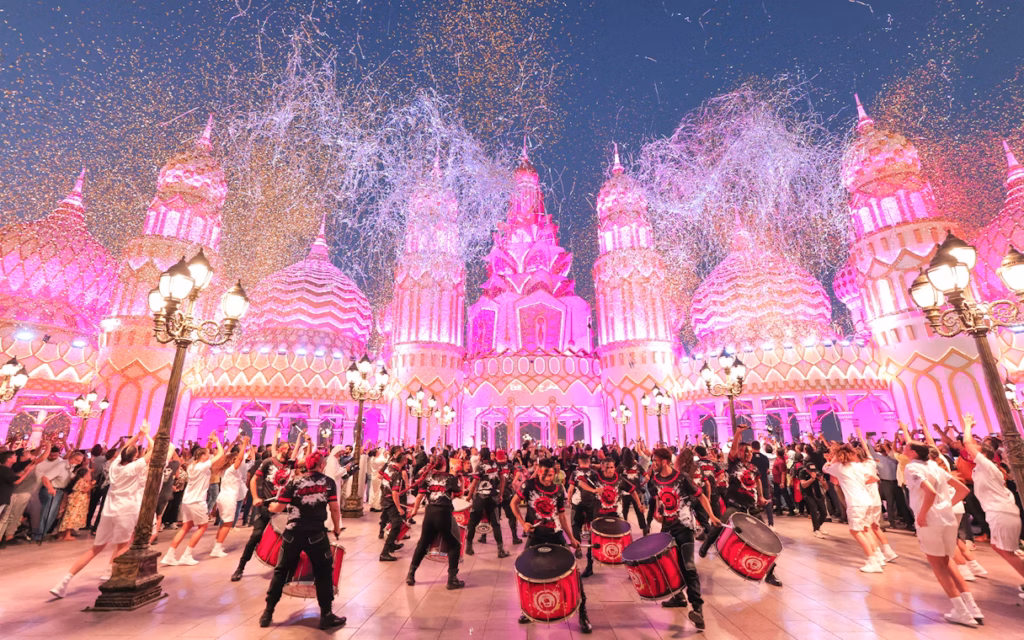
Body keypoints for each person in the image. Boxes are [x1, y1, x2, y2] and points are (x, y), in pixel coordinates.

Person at [50, 426, 153, 598]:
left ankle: (64, 581)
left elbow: (122, 450)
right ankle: (114, 582)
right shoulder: (133, 467)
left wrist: (137, 436)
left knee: (95, 549)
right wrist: (148, 435)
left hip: (108, 511)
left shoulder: (114, 466)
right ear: (135, 456)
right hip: (125, 510)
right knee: (122, 547)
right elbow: (155, 450)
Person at [259, 452, 346, 630]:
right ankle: (326, 615)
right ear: (321, 465)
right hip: (316, 535)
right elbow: (335, 508)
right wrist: (336, 528)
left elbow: (279, 507)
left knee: (281, 571)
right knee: (323, 572)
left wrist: (269, 505)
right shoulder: (328, 482)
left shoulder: (294, 481)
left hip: (293, 533)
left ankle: (268, 612)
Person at [902, 438, 982, 626]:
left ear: (913, 453)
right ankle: (972, 607)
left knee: (938, 565)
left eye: (906, 446)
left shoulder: (913, 468)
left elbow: (929, 492)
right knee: (947, 562)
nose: (903, 448)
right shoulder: (934, 466)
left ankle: (962, 611)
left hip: (930, 520)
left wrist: (923, 514)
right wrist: (945, 506)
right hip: (947, 519)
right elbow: (962, 490)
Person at [511, 457, 591, 634]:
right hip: (535, 536)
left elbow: (562, 516)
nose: (548, 478)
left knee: (573, 573)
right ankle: (527, 609)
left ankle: (583, 613)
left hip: (555, 534)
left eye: (551, 474)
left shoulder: (558, 489)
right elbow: (513, 504)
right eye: (545, 474)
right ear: (539, 470)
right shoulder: (529, 486)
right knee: (525, 573)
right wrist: (523, 523)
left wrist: (572, 538)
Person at [699, 426, 783, 587]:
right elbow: (733, 448)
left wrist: (762, 497)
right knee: (719, 524)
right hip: (735, 505)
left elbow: (758, 479)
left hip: (751, 508)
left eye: (750, 451)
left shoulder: (754, 467)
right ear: (739, 453)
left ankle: (770, 573)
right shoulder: (733, 463)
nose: (749, 454)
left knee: (766, 539)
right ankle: (706, 545)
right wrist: (738, 433)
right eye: (746, 451)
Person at [650, 447, 717, 630]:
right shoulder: (655, 479)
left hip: (685, 528)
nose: (652, 463)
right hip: (667, 529)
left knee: (688, 566)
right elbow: (658, 496)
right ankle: (679, 597)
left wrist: (711, 516)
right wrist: (658, 511)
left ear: (664, 461)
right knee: (671, 565)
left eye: (655, 460)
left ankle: (697, 609)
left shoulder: (682, 478)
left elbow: (701, 496)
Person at [962, 414, 1024, 597]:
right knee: (999, 547)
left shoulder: (988, 466)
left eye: (976, 451)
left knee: (1006, 550)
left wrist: (967, 425)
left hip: (1001, 512)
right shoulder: (981, 468)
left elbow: (967, 443)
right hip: (998, 512)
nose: (971, 452)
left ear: (985, 455)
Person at [231, 441, 293, 581]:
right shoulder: (268, 462)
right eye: (288, 449)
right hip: (266, 504)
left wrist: (307, 442)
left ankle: (285, 569)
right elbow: (254, 480)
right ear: (281, 450)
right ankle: (240, 567)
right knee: (256, 536)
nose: (290, 452)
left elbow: (306, 460)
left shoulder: (291, 463)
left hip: (283, 507)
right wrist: (255, 498)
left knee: (289, 540)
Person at [161, 435, 226, 565]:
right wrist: (218, 441)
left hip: (187, 500)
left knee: (186, 527)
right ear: (203, 456)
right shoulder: (202, 467)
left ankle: (170, 554)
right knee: (203, 526)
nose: (210, 455)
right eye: (208, 454)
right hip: (197, 501)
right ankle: (187, 554)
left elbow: (204, 452)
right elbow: (221, 454)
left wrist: (208, 442)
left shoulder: (192, 465)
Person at [405, 454, 466, 589]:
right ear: (445, 464)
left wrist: (415, 510)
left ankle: (411, 573)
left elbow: (420, 495)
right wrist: (461, 480)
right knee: (454, 545)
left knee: (423, 542)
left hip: (430, 513)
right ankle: (452, 579)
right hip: (443, 513)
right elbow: (459, 494)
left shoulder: (427, 477)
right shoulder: (450, 478)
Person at [465, 447, 510, 558]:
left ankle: (469, 547)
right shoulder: (497, 465)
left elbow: (475, 482)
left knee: (473, 522)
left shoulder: (479, 466)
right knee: (496, 523)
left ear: (481, 456)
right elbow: (503, 479)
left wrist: (469, 496)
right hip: (493, 497)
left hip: (480, 497)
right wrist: (500, 494)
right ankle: (500, 550)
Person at [210, 438, 251, 558]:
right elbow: (239, 459)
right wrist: (244, 444)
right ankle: (217, 548)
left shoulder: (226, 470)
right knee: (227, 524)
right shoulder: (232, 469)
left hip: (223, 497)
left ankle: (217, 544)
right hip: (228, 498)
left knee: (223, 524)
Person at [35, 447, 83, 542]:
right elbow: (45, 478)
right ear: (72, 458)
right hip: (52, 490)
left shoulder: (70, 466)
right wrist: (50, 488)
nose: (79, 463)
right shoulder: (61, 465)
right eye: (77, 460)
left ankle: (44, 533)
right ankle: (39, 535)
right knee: (47, 513)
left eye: (80, 461)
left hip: (60, 491)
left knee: (53, 514)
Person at [379, 450, 409, 561]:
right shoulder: (397, 474)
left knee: (393, 521)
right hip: (390, 501)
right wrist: (399, 508)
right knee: (396, 525)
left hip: (384, 499)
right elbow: (395, 492)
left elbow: (380, 477)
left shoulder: (389, 467)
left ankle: (391, 545)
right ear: (404, 461)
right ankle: (385, 552)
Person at [57, 465, 93, 541]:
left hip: (76, 501)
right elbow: (84, 490)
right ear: (85, 475)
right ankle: (67, 535)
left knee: (69, 517)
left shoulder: (77, 480)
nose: (90, 476)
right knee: (71, 518)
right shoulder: (81, 481)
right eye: (89, 474)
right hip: (76, 502)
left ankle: (64, 534)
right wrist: (91, 484)